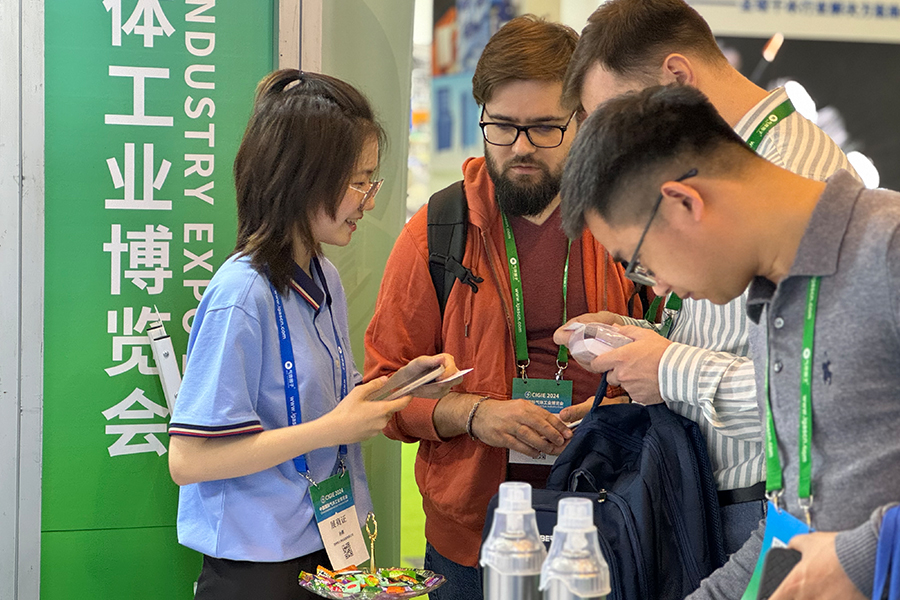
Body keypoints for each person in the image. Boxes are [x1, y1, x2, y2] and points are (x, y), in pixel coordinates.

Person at [559, 83, 899, 600]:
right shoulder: (770, 303)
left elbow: (834, 555)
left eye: (639, 263)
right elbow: (791, 528)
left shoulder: (887, 250)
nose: (659, 288)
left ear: (683, 203)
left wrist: (855, 561)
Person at [553, 0, 860, 555]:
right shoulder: (742, 169)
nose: (618, 151)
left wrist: (668, 368)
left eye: (624, 118)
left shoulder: (789, 178)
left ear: (676, 79)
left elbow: (815, 397)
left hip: (768, 501)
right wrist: (642, 344)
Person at [363, 15, 639, 600]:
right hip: (470, 538)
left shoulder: (625, 223)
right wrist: (473, 414)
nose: (520, 147)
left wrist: (609, 409)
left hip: (603, 522)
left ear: (582, 120)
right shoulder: (438, 232)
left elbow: (673, 354)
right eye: (503, 126)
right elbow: (383, 392)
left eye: (544, 128)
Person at [166, 69, 456, 600]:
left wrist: (403, 387)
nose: (369, 201)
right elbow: (189, 461)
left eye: (371, 181)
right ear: (304, 178)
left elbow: (324, 405)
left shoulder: (324, 277)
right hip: (257, 565)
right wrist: (330, 430)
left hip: (325, 545)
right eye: (359, 181)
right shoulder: (241, 294)